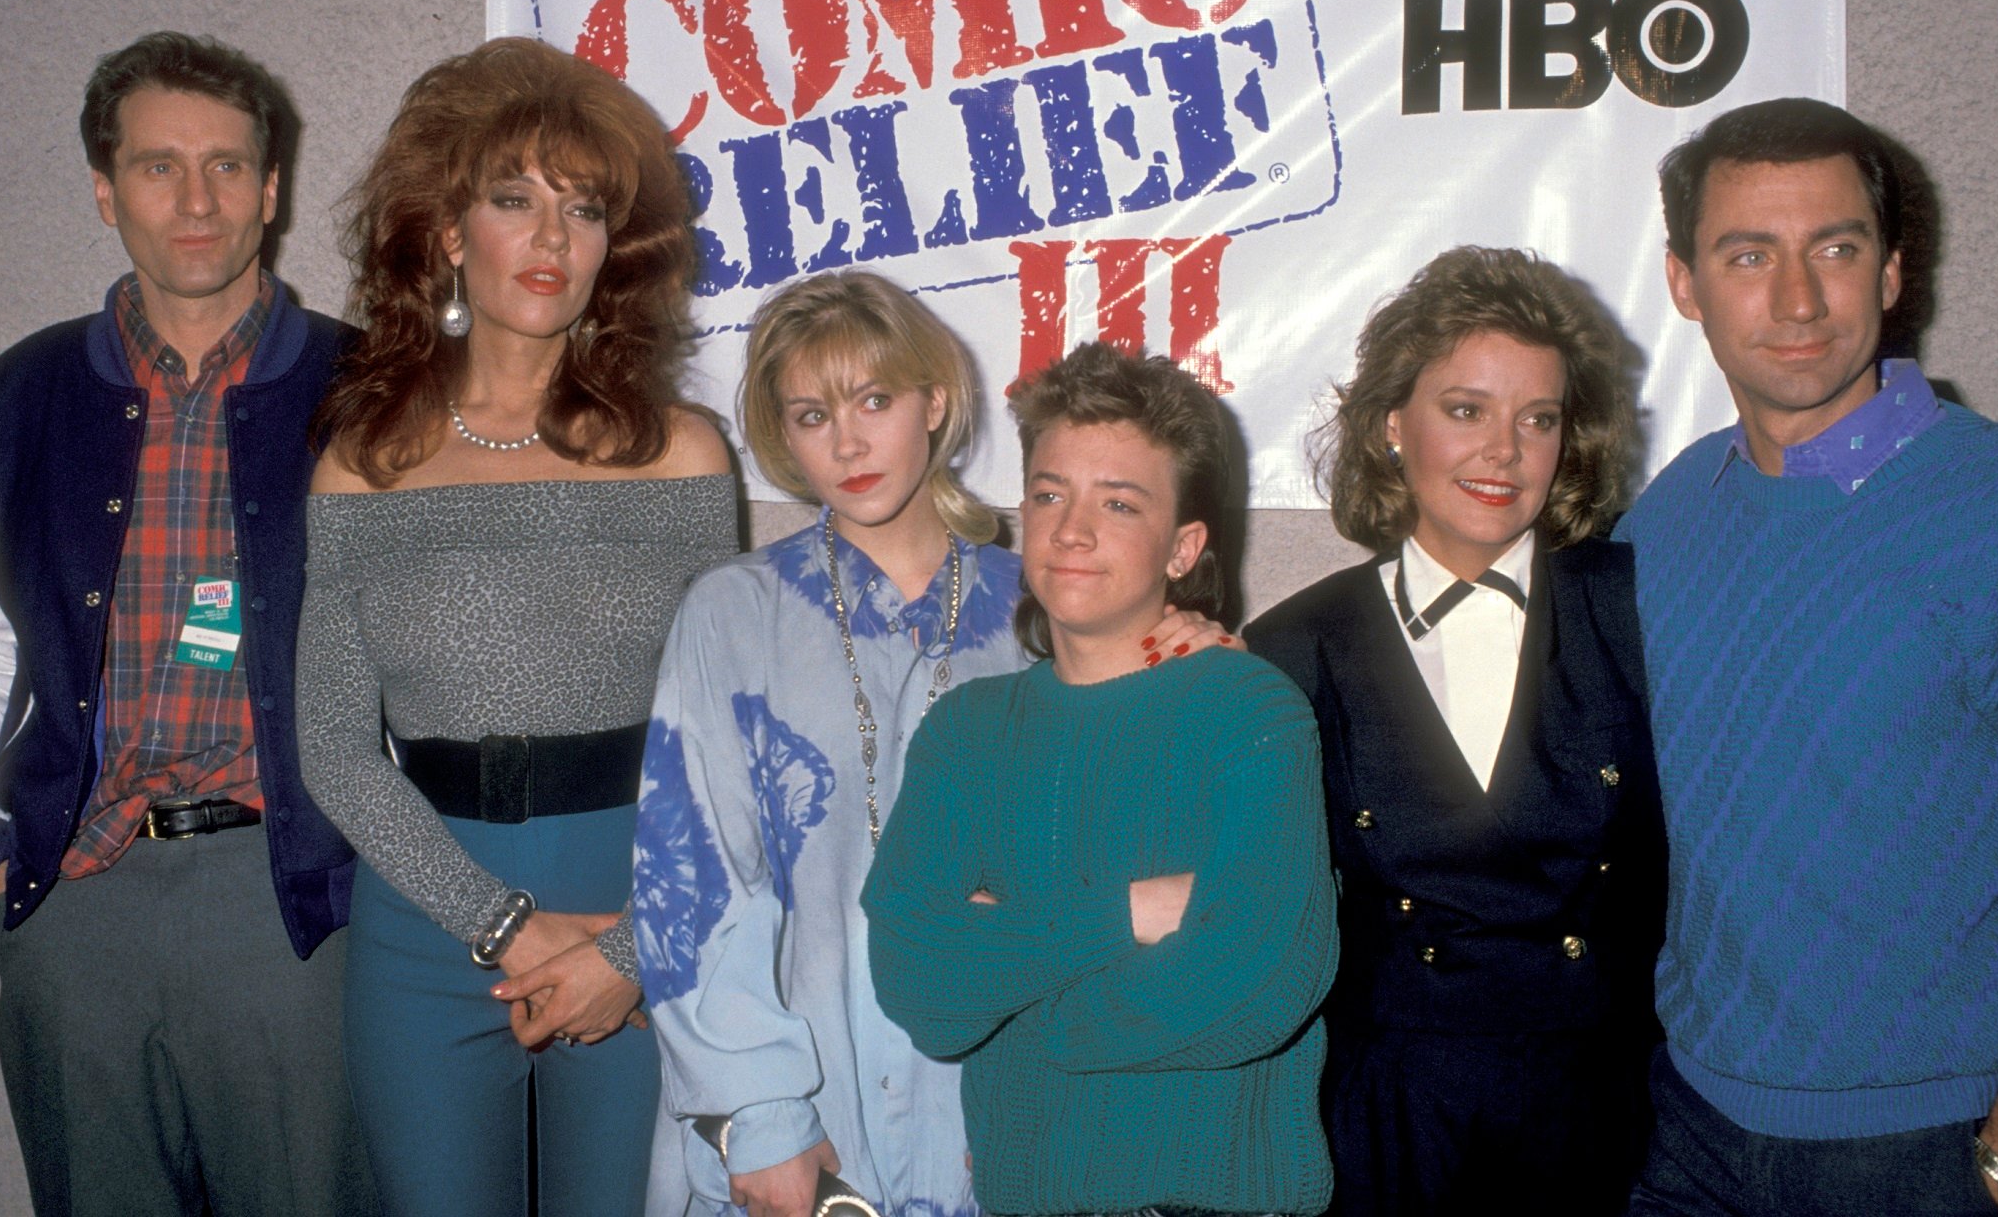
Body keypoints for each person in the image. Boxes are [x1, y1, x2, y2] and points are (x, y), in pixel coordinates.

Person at [0, 32, 376, 1215]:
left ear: (272, 190)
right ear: (105, 189)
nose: (198, 198)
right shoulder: (19, 399)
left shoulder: (376, 390)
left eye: (227, 165)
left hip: (296, 908)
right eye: (160, 166)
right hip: (76, 902)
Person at [634, 278, 1232, 1217]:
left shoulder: (1047, 603)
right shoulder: (732, 614)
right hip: (805, 1116)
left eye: (876, 400)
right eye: (811, 413)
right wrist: (759, 1117)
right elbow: (695, 880)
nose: (848, 440)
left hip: (1006, 1111)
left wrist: (1191, 652)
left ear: (936, 404)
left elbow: (1137, 834)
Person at [295, 36, 735, 1217]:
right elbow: (334, 747)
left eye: (584, 209)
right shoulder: (362, 463)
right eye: (513, 199)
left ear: (615, 247)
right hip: (428, 927)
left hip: (636, 919)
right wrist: (502, 923)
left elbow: (734, 745)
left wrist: (635, 949)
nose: (551, 239)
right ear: (446, 231)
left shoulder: (681, 454)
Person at [1618, 97, 1998, 1217]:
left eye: (1836, 248)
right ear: (1683, 283)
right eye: (1748, 254)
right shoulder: (1665, 517)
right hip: (1687, 1125)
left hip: (1928, 1143)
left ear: (1893, 271)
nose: (1797, 299)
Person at [863, 340, 1337, 1217]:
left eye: (1118, 504)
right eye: (1049, 494)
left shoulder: (1251, 711)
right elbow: (918, 985)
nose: (1071, 530)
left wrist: (1022, 993)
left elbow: (1261, 978)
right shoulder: (968, 729)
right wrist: (1141, 911)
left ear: (1182, 546)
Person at [1242, 246, 1664, 1215]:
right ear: (1393, 423)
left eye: (1538, 418)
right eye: (1466, 409)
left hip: (1597, 1114)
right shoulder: (1291, 647)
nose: (1503, 452)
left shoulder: (1635, 610)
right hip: (1387, 1123)